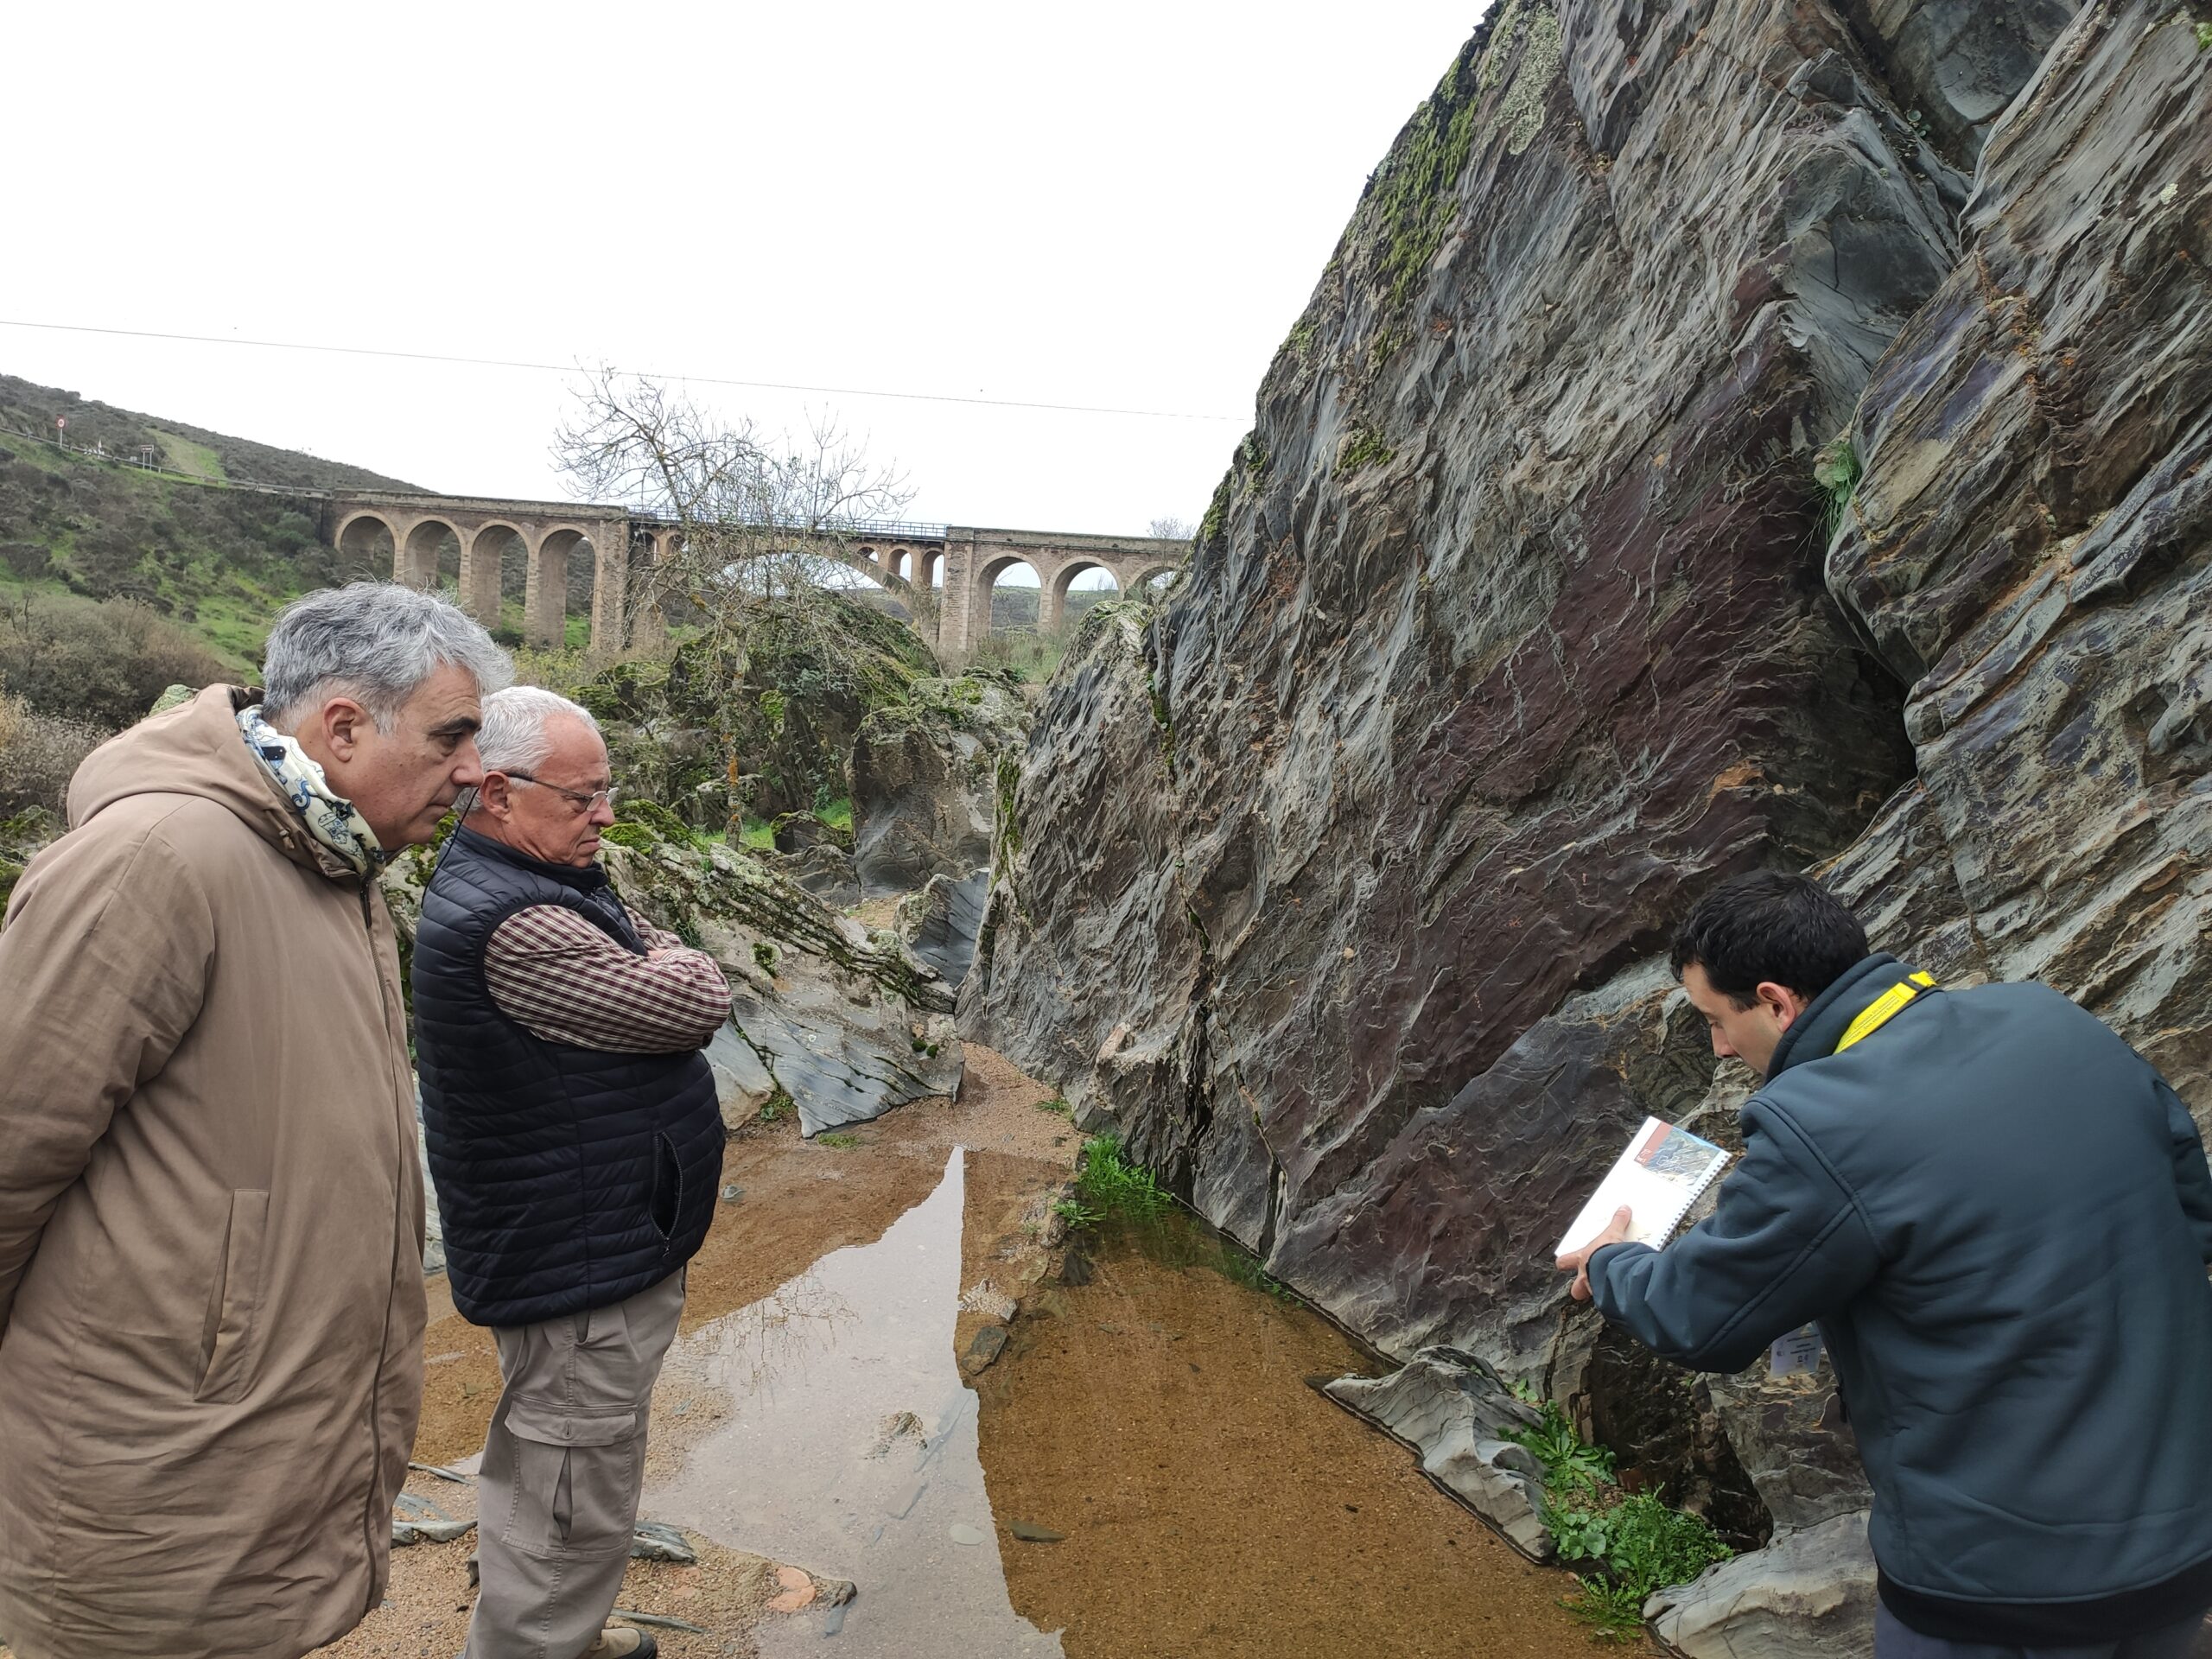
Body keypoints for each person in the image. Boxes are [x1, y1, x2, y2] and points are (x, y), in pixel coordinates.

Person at [0, 582, 510, 1659]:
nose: (475, 769)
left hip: (251, 1452)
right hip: (148, 1472)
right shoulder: (155, 858)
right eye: (451, 736)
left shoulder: (331, 862)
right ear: (343, 726)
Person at [1557, 870, 2212, 1655]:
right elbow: (2193, 1215)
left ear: (1776, 1002)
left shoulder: (1818, 1120)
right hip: (2183, 1541)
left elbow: (1698, 1316)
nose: (1720, 1047)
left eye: (1715, 1020)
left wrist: (1614, 1261)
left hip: (2002, 1581)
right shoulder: (2050, 1017)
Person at [413, 685, 730, 1659]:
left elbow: (640, 953)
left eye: (606, 790)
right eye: (583, 796)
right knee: (567, 1484)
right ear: (499, 793)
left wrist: (644, 949)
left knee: (566, 1460)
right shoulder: (519, 922)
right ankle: (540, 1643)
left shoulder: (534, 875)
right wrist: (671, 957)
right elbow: (694, 998)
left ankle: (557, 1633)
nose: (606, 815)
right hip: (577, 1258)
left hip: (586, 1240)